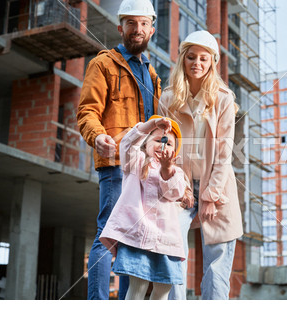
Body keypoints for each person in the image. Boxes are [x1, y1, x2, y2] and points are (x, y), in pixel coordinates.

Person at [76, 0, 161, 300]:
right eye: (131, 23)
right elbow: (87, 111)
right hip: (115, 163)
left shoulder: (152, 75)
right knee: (108, 235)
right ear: (120, 26)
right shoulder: (103, 64)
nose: (137, 30)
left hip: (144, 170)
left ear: (152, 29)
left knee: (133, 241)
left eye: (143, 24)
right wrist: (97, 136)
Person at [158, 30, 243, 300]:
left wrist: (210, 195)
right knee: (172, 252)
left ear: (212, 62)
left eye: (204, 59)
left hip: (217, 186)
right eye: (191, 57)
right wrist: (178, 184)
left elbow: (223, 150)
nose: (197, 63)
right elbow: (164, 147)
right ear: (183, 59)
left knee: (217, 264)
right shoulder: (168, 99)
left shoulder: (224, 99)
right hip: (178, 186)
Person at [99, 115, 187, 300]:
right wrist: (151, 124)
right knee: (138, 286)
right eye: (158, 139)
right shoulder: (135, 162)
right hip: (137, 239)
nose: (163, 145)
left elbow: (175, 192)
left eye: (169, 143)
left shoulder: (177, 172)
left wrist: (167, 168)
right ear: (146, 144)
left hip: (166, 242)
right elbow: (127, 143)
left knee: (163, 289)